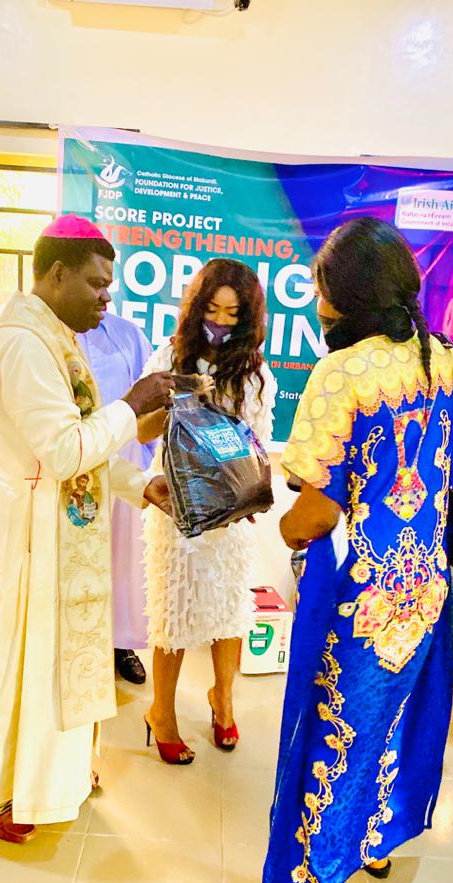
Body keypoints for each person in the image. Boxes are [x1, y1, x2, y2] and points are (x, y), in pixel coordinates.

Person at [259, 217, 453, 883]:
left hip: (360, 592)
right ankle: (377, 840)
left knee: (337, 728)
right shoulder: (443, 359)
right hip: (423, 584)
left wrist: (285, 531)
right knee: (396, 718)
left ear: (343, 297)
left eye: (322, 288)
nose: (317, 302)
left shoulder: (343, 373)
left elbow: (315, 509)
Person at [0, 214, 176, 844]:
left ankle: (47, 776)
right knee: (8, 660)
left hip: (43, 515)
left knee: (45, 659)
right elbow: (66, 449)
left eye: (110, 287)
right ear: (57, 272)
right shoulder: (21, 343)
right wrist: (133, 404)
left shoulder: (55, 339)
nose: (106, 297)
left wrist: (136, 484)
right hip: (10, 523)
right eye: (96, 284)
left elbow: (80, 449)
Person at [141, 258, 276, 764]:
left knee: (227, 613)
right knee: (172, 615)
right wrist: (172, 400)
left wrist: (248, 491)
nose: (220, 322)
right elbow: (141, 433)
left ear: (247, 318)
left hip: (231, 513)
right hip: (174, 506)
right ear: (196, 308)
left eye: (232, 314)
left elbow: (257, 441)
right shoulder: (167, 356)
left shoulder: (254, 372)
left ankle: (223, 700)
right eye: (212, 310)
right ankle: (162, 712)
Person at [78, 313, 157, 685]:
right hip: (73, 464)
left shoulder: (128, 335)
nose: (104, 295)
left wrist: (150, 463)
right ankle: (78, 648)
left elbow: (154, 403)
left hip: (123, 465)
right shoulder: (48, 336)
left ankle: (119, 645)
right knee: (78, 560)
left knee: (121, 561)